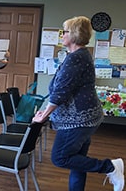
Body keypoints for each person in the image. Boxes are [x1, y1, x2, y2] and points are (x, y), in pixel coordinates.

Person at [32, 16, 124, 191]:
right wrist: (46, 111)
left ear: (74, 34)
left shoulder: (77, 57)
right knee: (77, 161)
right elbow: (61, 88)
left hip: (78, 120)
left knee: (60, 157)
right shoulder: (77, 55)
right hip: (85, 117)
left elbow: (61, 91)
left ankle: (110, 167)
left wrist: (45, 114)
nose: (62, 35)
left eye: (65, 31)